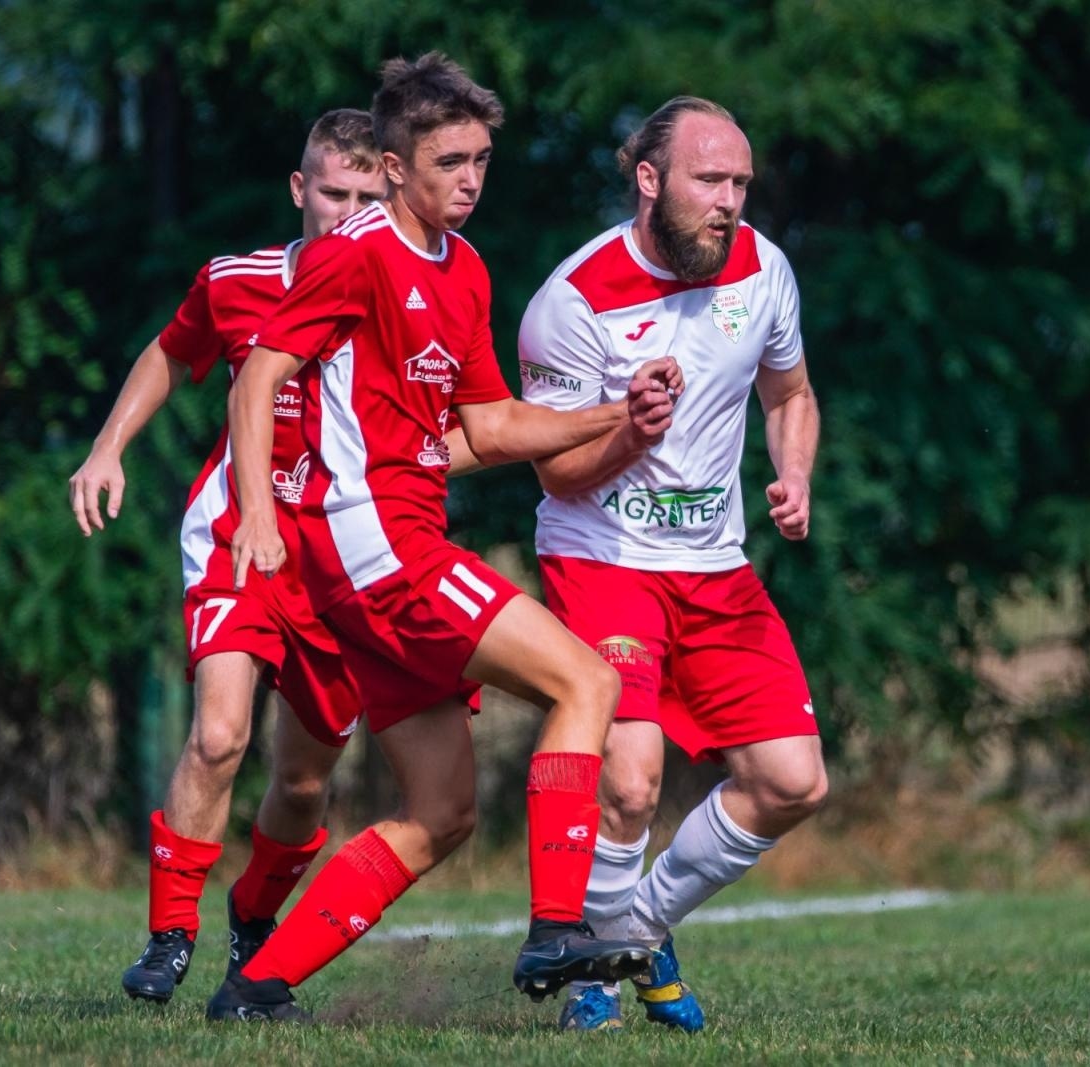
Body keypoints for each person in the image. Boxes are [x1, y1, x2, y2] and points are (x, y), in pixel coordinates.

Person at [207, 52, 684, 1022]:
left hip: (386, 550)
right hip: (376, 544)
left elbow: (494, 423)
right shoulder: (357, 251)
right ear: (392, 167)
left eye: (480, 159)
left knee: (440, 812)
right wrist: (257, 509)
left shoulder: (462, 268)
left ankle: (254, 988)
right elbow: (258, 374)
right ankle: (562, 929)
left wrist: (613, 414)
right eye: (448, 160)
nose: (470, 178)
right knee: (587, 681)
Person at [69, 109, 438, 1004]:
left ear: (386, 193)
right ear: (299, 191)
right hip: (240, 539)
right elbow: (170, 350)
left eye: (365, 196)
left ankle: (254, 912)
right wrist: (107, 447)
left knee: (305, 781)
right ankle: (167, 936)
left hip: (344, 559)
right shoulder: (239, 281)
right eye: (332, 194)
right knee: (220, 732)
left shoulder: (397, 292)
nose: (347, 212)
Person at [517, 96, 828, 1032]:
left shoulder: (764, 267)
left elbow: (792, 392)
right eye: (710, 180)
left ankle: (631, 933)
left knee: (793, 781)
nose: (730, 201)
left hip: (716, 566)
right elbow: (560, 474)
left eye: (740, 182)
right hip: (603, 555)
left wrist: (795, 473)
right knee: (632, 776)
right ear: (649, 180)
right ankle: (594, 981)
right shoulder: (572, 302)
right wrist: (632, 433)